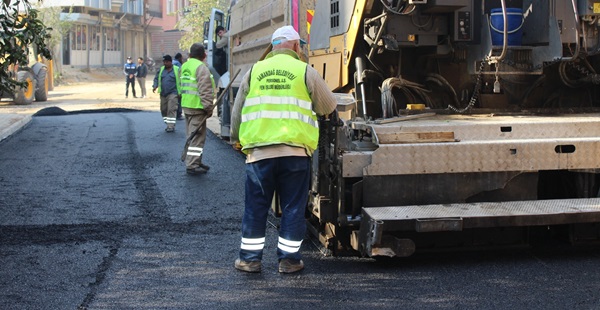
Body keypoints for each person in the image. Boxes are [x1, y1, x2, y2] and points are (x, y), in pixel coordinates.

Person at [230, 25, 337, 273]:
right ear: (296, 46)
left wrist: (237, 140)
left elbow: (237, 110)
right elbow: (328, 105)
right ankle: (289, 261)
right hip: (295, 155)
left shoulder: (254, 71)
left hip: (259, 155)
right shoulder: (304, 71)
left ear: (273, 46)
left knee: (256, 207)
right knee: (292, 207)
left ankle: (249, 259)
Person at [179, 43, 215, 175]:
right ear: (204, 55)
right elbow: (205, 90)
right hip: (197, 107)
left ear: (190, 54)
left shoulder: (184, 66)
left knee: (191, 135)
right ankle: (192, 165)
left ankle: (196, 161)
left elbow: (180, 85)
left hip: (187, 105)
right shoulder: (201, 68)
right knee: (197, 137)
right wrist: (208, 108)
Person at [152, 55, 181, 132]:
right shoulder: (161, 70)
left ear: (170, 62)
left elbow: (181, 81)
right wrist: (155, 86)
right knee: (163, 109)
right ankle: (168, 122)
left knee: (171, 109)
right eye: (164, 62)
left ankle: (171, 126)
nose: (165, 63)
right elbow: (156, 78)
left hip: (173, 93)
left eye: (167, 62)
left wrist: (181, 92)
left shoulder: (177, 70)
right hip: (163, 94)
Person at [173, 53, 184, 120]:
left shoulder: (172, 62)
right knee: (179, 100)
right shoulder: (178, 64)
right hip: (178, 85)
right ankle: (179, 114)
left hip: (172, 85)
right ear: (179, 58)